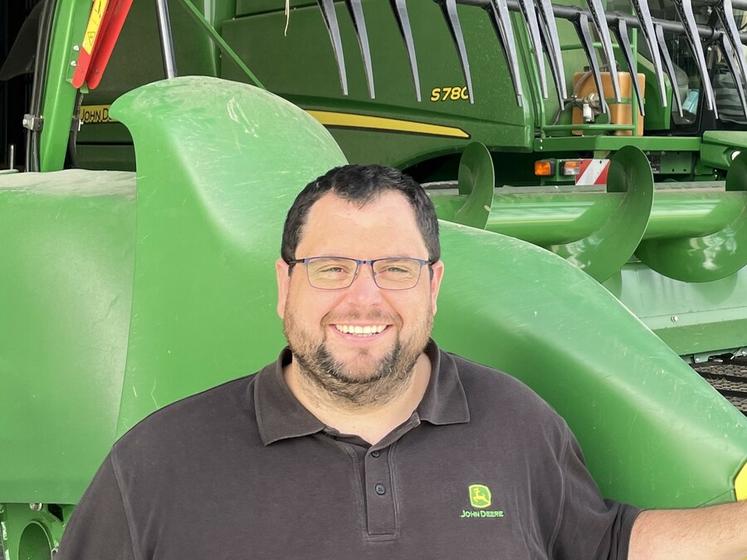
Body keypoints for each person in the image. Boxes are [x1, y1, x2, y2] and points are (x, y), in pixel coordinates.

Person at [57, 164, 746, 559]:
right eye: (330, 269)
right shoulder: (154, 468)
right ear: (283, 285)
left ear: (433, 286)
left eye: (394, 268)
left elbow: (603, 547)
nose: (364, 297)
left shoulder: (516, 425)